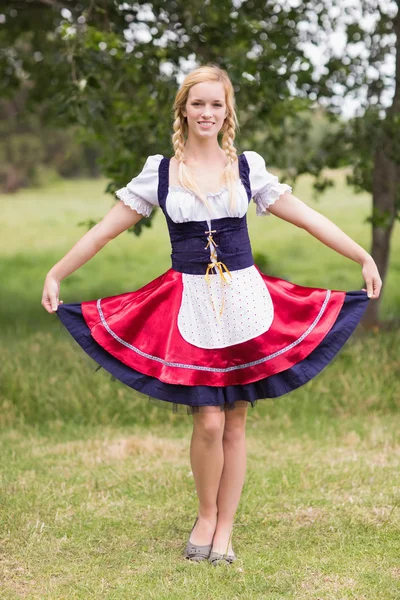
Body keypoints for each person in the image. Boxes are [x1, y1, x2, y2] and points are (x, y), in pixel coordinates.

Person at [41, 64, 382, 566]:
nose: (207, 112)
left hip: (243, 301)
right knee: (207, 420)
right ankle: (205, 515)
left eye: (216, 104)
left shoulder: (246, 168)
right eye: (197, 103)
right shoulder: (160, 173)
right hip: (191, 305)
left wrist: (362, 255)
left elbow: (307, 216)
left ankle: (225, 528)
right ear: (183, 109)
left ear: (228, 112)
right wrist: (56, 271)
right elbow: (103, 232)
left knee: (236, 421)